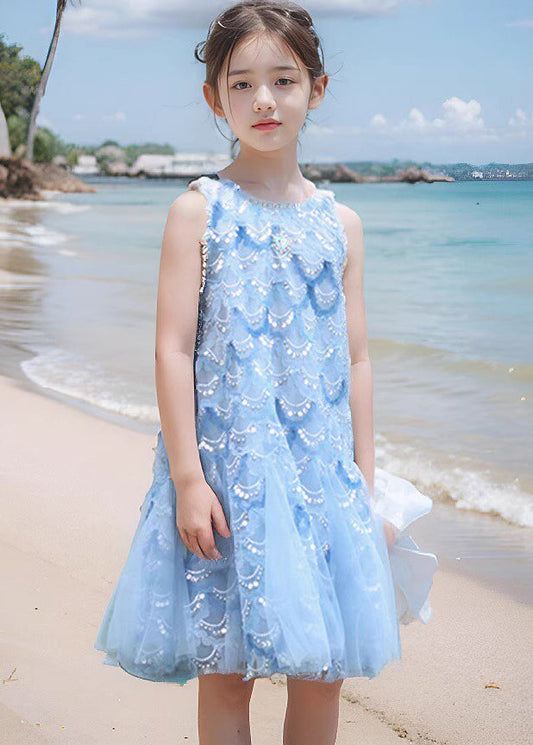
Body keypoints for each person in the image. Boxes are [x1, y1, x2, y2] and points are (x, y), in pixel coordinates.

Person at [94, 2, 438, 743]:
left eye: (283, 80)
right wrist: (188, 478)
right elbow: (171, 349)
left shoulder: (341, 223)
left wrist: (363, 483)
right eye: (242, 84)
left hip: (320, 476)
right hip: (228, 477)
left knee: (323, 669)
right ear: (215, 98)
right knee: (227, 669)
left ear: (316, 89)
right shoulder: (199, 210)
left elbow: (356, 358)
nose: (264, 100)